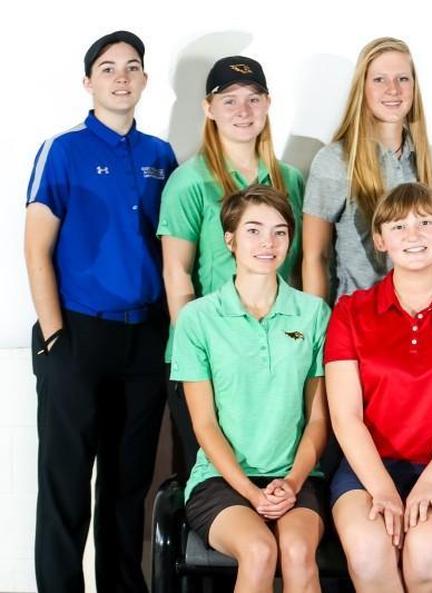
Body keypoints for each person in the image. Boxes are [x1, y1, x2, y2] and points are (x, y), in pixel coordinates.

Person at [24, 30, 177, 593]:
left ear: (143, 80)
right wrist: (55, 338)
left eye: (132, 66)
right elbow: (35, 249)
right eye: (108, 67)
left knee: (126, 485)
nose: (121, 76)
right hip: (77, 335)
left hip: (144, 341)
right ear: (89, 82)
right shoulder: (63, 150)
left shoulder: (161, 156)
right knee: (65, 484)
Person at [325, 183, 432, 593]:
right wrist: (382, 490)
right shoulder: (351, 311)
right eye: (398, 226)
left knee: (426, 552)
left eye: (425, 223)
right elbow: (345, 417)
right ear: (380, 240)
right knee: (368, 549)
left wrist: (430, 483)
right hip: (367, 471)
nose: (413, 235)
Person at [172, 185, 330, 593]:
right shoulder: (198, 318)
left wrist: (292, 484)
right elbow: (204, 425)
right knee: (259, 551)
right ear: (230, 240)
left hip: (294, 476)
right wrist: (250, 492)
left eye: (280, 232)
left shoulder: (313, 313)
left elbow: (317, 418)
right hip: (221, 481)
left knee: (296, 551)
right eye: (254, 231)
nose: (268, 243)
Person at [158, 55, 305, 474]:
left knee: (278, 471)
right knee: (207, 472)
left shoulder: (289, 180)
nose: (243, 111)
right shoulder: (189, 182)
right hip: (211, 355)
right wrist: (196, 352)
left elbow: (297, 266)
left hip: (276, 353)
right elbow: (176, 272)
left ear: (268, 104)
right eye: (230, 101)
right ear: (209, 108)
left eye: (253, 99)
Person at [303, 37, 432, 301]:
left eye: (403, 79)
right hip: (357, 323)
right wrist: (318, 330)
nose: (393, 89)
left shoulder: (421, 159)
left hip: (417, 321)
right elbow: (314, 257)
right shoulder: (335, 161)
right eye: (379, 79)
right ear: (362, 87)